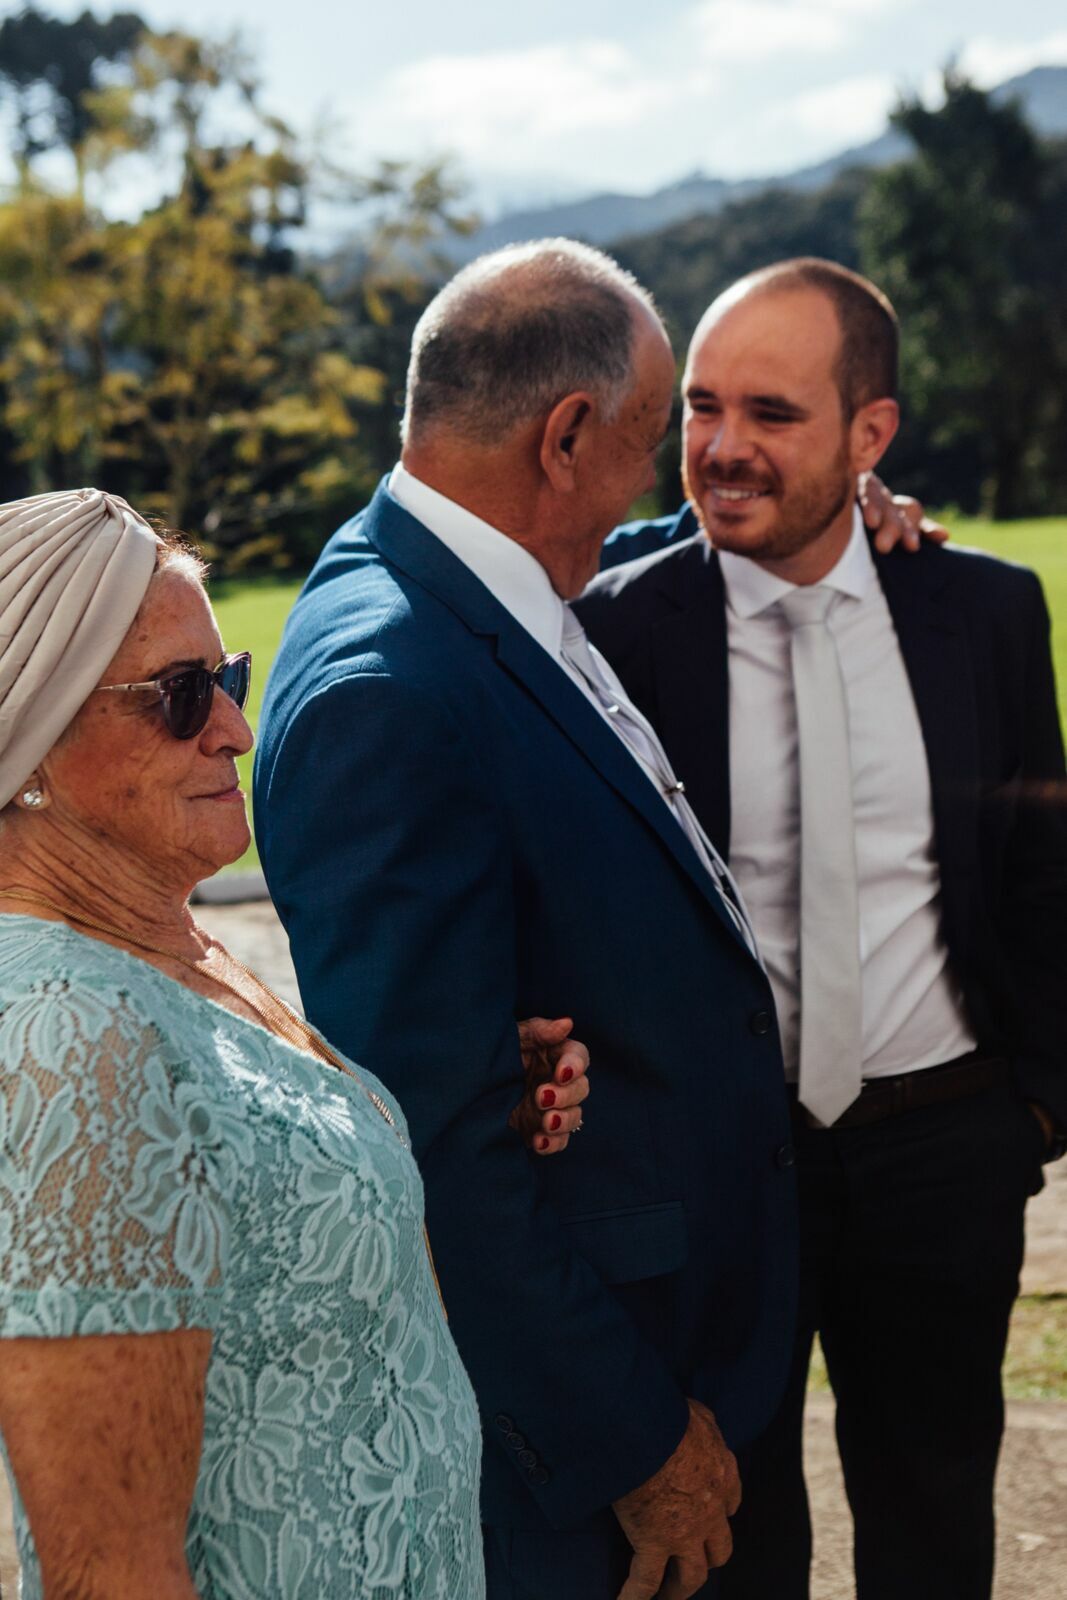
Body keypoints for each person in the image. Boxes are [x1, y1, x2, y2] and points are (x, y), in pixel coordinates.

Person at [254, 238, 924, 1600]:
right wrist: (630, 1438)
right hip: (608, 1441)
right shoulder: (385, 693)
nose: (661, 483)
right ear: (564, 436)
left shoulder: (469, 574)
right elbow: (431, 1144)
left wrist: (843, 515)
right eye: (646, 438)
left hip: (690, 1345)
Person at [576, 257, 1067, 1600]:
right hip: (726, 1165)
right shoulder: (611, 632)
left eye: (772, 415)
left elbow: (1035, 873)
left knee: (931, 1528)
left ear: (870, 437)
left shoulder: (982, 612)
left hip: (943, 1155)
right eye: (699, 405)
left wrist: (1028, 1111)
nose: (721, 448)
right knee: (727, 1542)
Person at [0, 487, 590, 1600]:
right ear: (29, 734)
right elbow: (108, 1572)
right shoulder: (71, 1040)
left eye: (228, 679)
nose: (234, 727)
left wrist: (404, 1119)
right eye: (179, 697)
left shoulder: (162, 945)